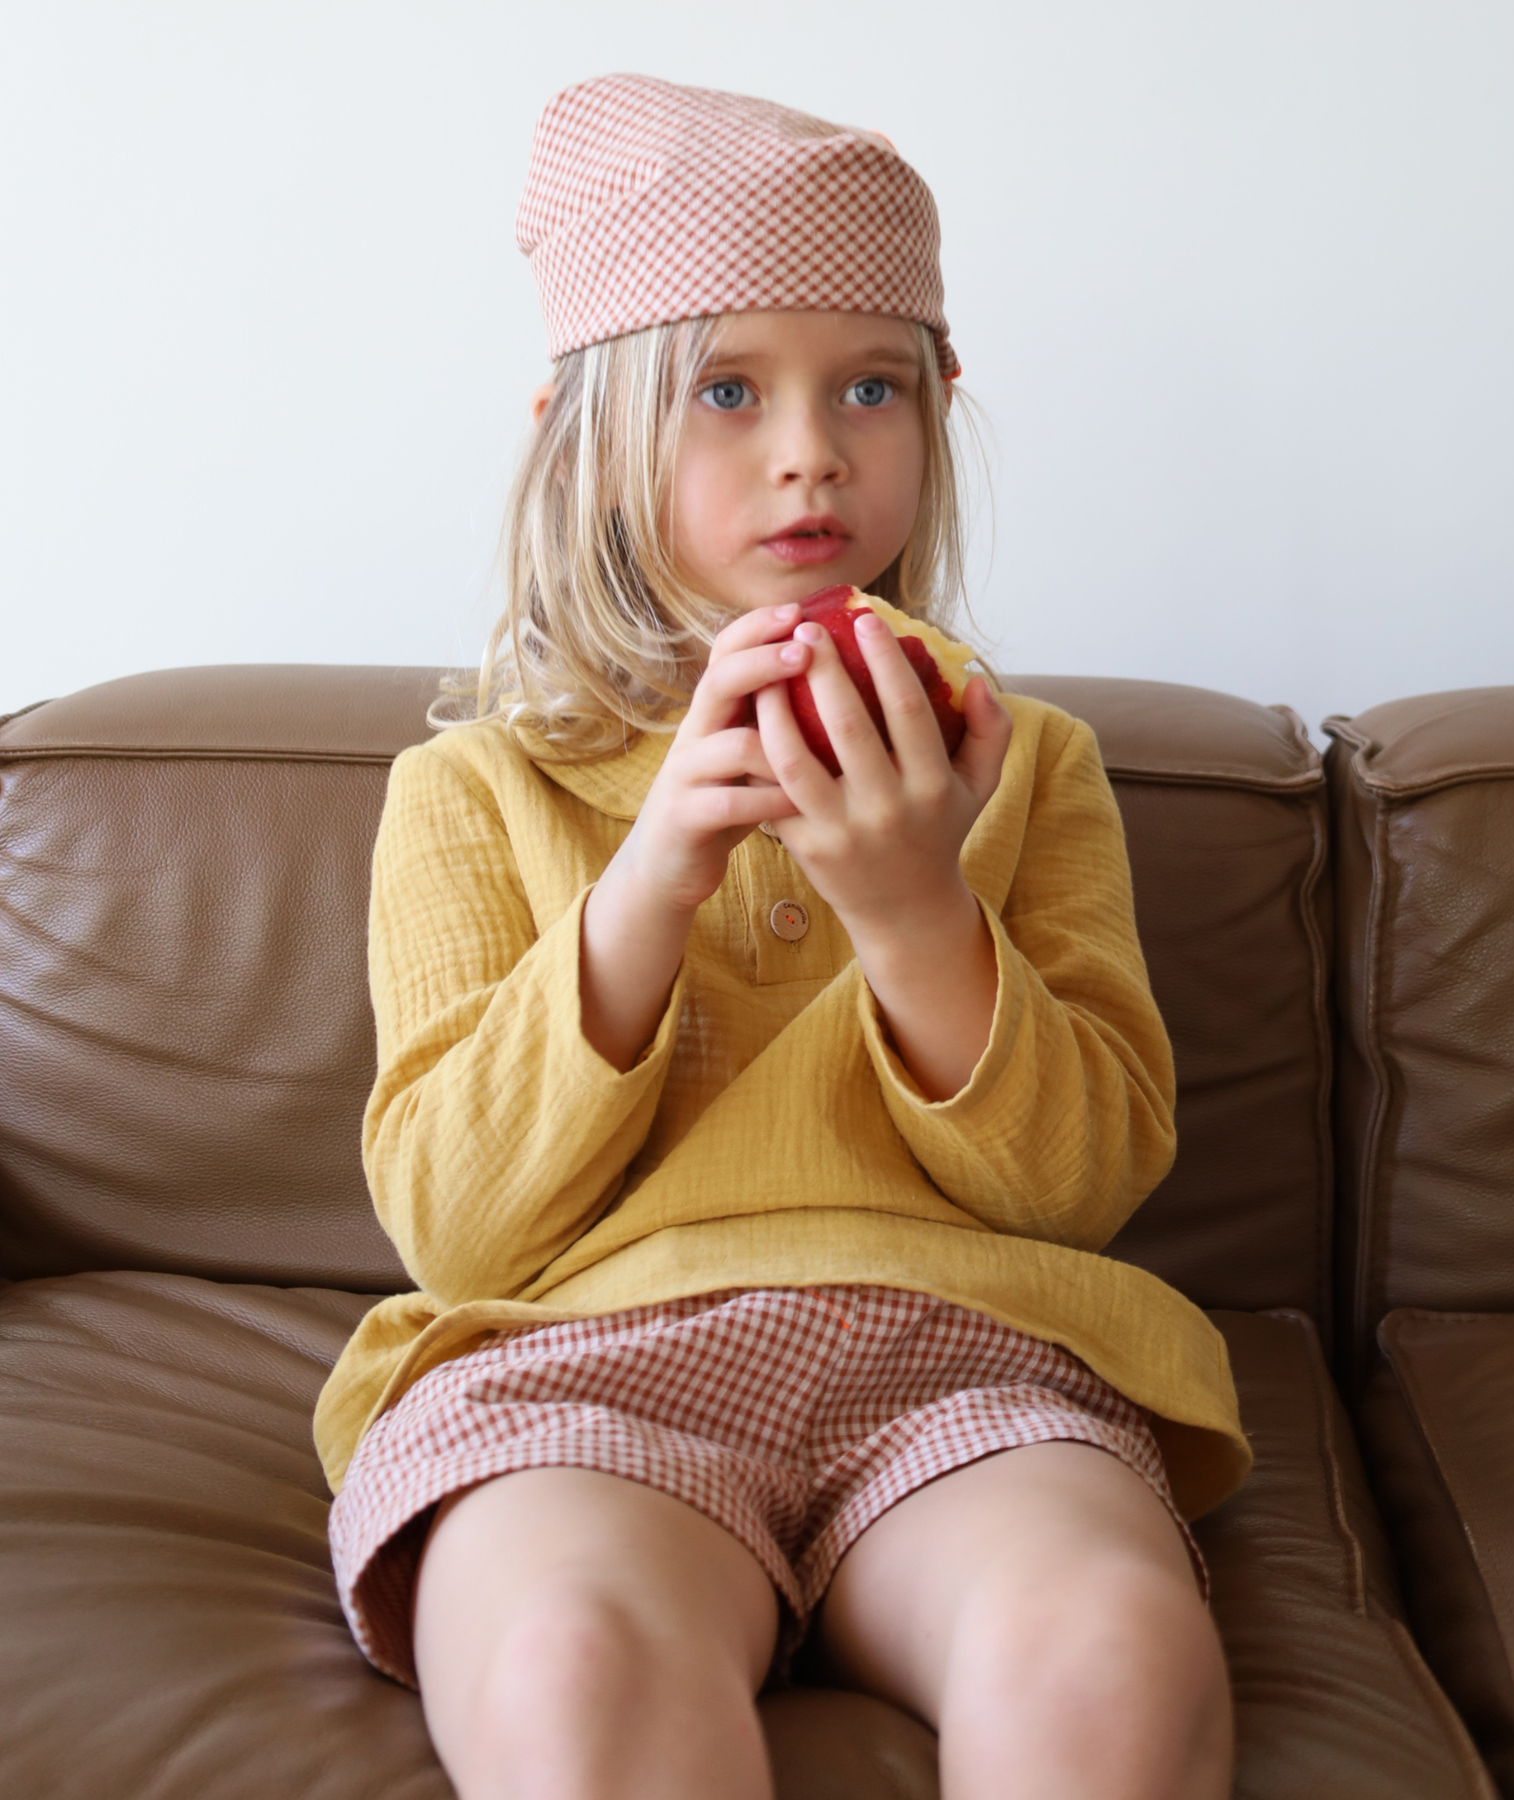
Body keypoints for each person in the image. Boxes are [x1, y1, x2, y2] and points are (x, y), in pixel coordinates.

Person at [317, 73, 1250, 1800]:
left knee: (1105, 1662)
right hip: (578, 1370)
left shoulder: (1030, 768)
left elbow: (1083, 1184)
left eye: (870, 386)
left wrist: (915, 905)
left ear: (936, 409)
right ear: (582, 433)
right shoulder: (470, 791)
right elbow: (455, 1226)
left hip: (963, 1360)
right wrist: (655, 871)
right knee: (567, 1663)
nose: (810, 448)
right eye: (727, 389)